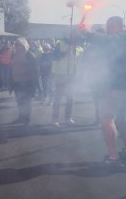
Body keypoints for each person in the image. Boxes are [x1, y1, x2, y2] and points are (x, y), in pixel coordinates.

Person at [81, 16, 126, 166]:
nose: (107, 30)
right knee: (122, 120)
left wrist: (87, 32)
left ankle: (113, 157)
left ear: (116, 26)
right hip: (118, 87)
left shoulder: (120, 38)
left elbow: (108, 41)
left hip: (116, 87)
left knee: (107, 119)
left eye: (109, 26)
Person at [51, 38, 83, 126]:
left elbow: (79, 63)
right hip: (61, 74)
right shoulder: (60, 44)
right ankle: (55, 119)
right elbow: (55, 56)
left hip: (73, 76)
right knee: (58, 97)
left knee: (71, 98)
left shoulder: (80, 48)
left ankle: (68, 118)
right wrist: (66, 52)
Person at [9, 37, 39, 125]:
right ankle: (21, 117)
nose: (17, 46)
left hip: (27, 82)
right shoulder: (14, 54)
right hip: (16, 82)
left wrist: (35, 85)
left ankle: (26, 119)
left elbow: (35, 71)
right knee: (19, 100)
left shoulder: (29, 55)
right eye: (16, 44)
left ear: (24, 45)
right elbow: (11, 69)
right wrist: (10, 83)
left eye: (19, 45)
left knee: (26, 102)